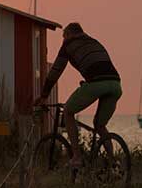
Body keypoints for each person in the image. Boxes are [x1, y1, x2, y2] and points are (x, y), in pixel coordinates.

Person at [35, 22, 122, 168]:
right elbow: (97, 65)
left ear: (69, 35)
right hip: (115, 84)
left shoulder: (69, 44)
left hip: (96, 83)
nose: (63, 40)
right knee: (100, 125)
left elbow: (55, 71)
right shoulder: (93, 41)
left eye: (64, 37)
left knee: (68, 111)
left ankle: (76, 157)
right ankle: (113, 162)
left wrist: (44, 95)